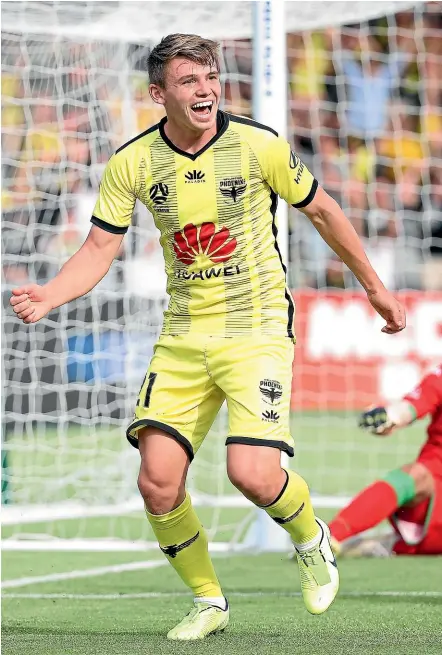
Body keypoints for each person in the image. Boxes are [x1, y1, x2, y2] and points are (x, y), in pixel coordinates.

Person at [10, 34, 406, 640]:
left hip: (256, 328)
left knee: (251, 473)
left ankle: (310, 536)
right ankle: (208, 600)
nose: (205, 90)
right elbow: (97, 249)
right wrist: (50, 294)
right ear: (159, 93)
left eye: (211, 77)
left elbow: (324, 211)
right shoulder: (133, 162)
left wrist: (373, 287)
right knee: (157, 479)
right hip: (183, 333)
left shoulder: (257, 145)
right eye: (190, 81)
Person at [329, 365, 442, 557]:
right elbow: (410, 408)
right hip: (437, 480)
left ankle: (385, 545)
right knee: (415, 475)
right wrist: (389, 417)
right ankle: (328, 537)